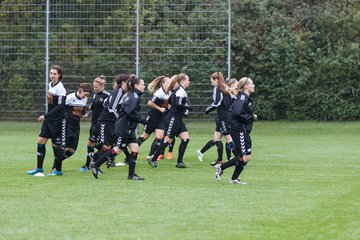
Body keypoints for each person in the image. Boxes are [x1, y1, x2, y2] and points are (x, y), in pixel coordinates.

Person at [90, 76, 146, 180]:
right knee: (117, 149)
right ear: (136, 85)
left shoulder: (130, 94)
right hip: (124, 128)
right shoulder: (133, 96)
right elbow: (130, 112)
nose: (144, 86)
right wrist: (143, 120)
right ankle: (96, 164)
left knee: (134, 148)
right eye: (142, 84)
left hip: (129, 128)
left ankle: (131, 175)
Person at [215, 77, 257, 184]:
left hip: (241, 130)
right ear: (246, 86)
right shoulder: (243, 98)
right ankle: (221, 167)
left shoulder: (244, 97)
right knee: (245, 156)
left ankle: (234, 178)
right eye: (251, 84)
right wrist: (251, 117)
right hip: (239, 130)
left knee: (244, 156)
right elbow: (237, 113)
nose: (254, 85)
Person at [27, 65, 67, 176]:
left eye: (54, 74)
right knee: (40, 141)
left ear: (59, 75)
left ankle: (58, 170)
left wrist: (45, 116)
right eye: (51, 73)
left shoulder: (61, 88)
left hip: (57, 121)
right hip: (49, 120)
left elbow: (60, 106)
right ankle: (39, 168)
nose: (52, 75)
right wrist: (47, 116)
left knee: (55, 146)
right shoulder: (50, 85)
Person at [88, 73, 130, 172]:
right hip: (106, 121)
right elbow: (112, 108)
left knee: (113, 146)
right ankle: (94, 160)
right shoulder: (118, 92)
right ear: (124, 82)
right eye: (129, 82)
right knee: (106, 147)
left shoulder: (119, 92)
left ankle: (96, 160)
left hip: (110, 122)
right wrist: (120, 118)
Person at [148, 73, 191, 168]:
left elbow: (171, 101)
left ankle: (179, 162)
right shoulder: (180, 91)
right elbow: (178, 104)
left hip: (178, 119)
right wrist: (187, 108)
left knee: (185, 139)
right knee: (167, 141)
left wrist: (184, 111)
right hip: (173, 118)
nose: (189, 82)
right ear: (183, 81)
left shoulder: (180, 91)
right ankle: (153, 159)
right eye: (187, 80)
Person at [49, 83, 92, 176]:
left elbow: (81, 112)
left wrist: (84, 115)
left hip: (76, 126)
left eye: (87, 95)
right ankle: (55, 168)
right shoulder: (69, 97)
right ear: (80, 90)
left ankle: (57, 163)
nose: (85, 97)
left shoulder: (84, 99)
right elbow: (60, 109)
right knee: (62, 147)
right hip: (66, 124)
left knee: (72, 150)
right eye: (84, 94)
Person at [197, 74, 238, 166]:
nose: (211, 83)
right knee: (216, 139)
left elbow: (217, 103)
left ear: (216, 80)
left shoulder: (218, 88)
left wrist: (208, 109)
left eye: (211, 81)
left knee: (228, 139)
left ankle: (238, 158)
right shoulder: (225, 88)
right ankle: (204, 153)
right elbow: (233, 99)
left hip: (223, 117)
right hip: (223, 117)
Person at [79, 76, 110, 172]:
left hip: (102, 124)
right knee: (93, 143)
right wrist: (91, 107)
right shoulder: (95, 95)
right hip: (94, 123)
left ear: (102, 86)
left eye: (96, 87)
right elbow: (94, 106)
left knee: (92, 143)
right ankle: (108, 156)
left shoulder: (107, 96)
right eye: (94, 87)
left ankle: (91, 165)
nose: (94, 89)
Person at [136, 76, 171, 160]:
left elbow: (166, 103)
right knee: (144, 136)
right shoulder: (159, 93)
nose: (169, 84)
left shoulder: (169, 92)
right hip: (152, 117)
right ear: (163, 84)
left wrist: (168, 106)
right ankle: (132, 152)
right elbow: (150, 103)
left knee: (160, 136)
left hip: (161, 118)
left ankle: (150, 156)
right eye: (167, 82)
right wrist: (159, 108)